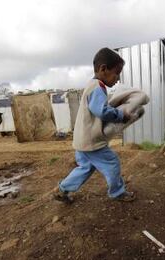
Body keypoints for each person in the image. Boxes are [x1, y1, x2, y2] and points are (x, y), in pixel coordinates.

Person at [53, 47, 135, 203]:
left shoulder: (91, 85)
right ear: (103, 69)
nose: (117, 79)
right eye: (117, 73)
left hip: (81, 140)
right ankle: (117, 192)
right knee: (112, 163)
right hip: (91, 141)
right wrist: (120, 115)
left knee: (85, 168)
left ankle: (62, 189)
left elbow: (97, 109)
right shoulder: (98, 87)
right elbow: (102, 111)